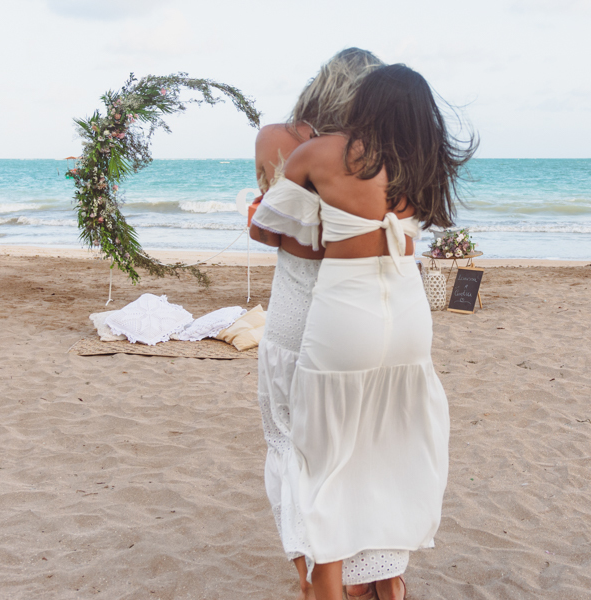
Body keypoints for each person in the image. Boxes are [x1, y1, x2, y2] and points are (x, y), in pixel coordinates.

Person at [257, 63, 475, 600]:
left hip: (345, 314)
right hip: (407, 316)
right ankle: (388, 584)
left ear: (366, 104)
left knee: (318, 458)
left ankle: (325, 589)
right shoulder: (423, 165)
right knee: (389, 447)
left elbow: (270, 228)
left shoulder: (324, 153)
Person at [249, 48, 384, 600]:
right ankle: (368, 579)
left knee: (289, 444)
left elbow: (271, 223)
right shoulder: (377, 151)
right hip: (357, 313)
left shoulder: (279, 139)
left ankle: (310, 578)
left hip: (294, 309)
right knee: (359, 449)